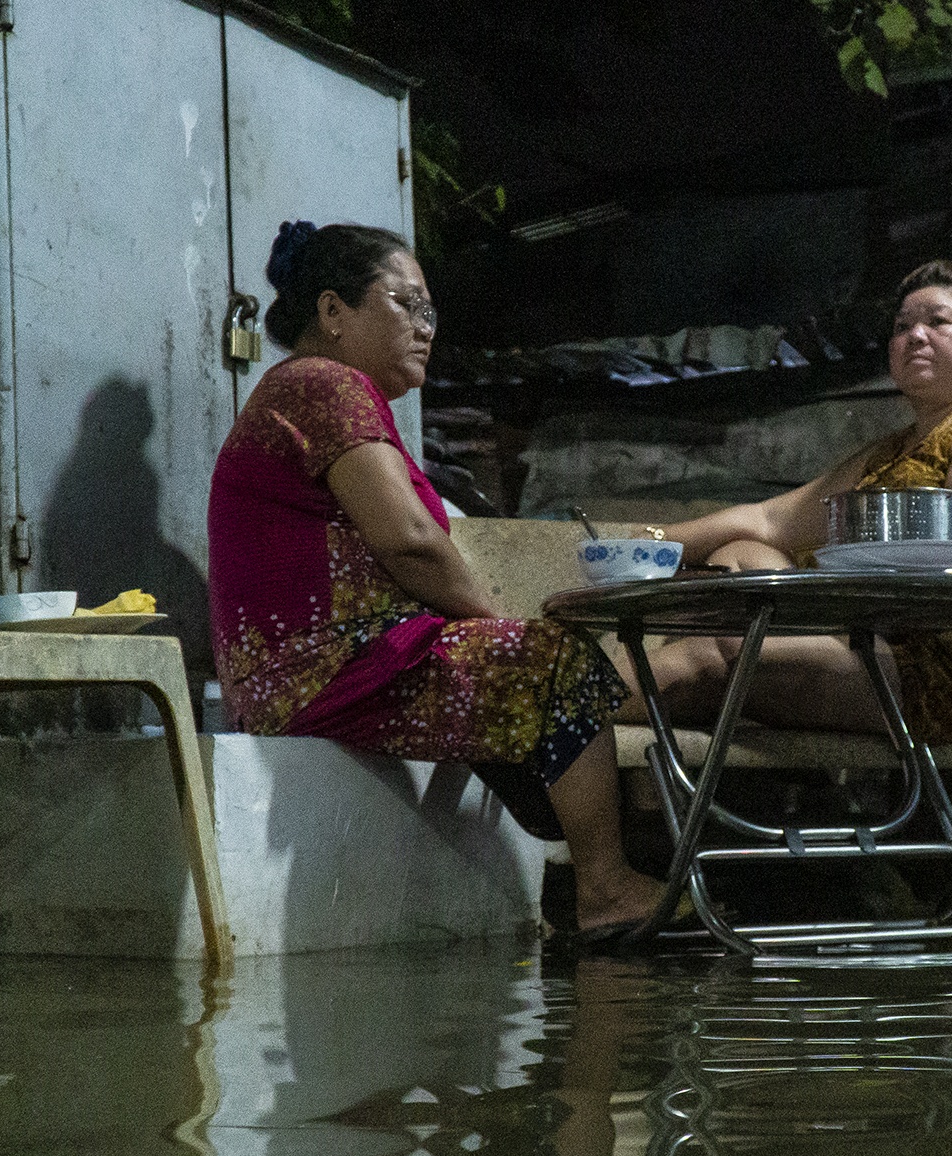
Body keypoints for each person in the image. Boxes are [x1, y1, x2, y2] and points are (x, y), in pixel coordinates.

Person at [206, 221, 660, 941]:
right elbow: (410, 543)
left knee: (585, 676)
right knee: (556, 662)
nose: (425, 328)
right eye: (405, 304)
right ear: (332, 312)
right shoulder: (324, 386)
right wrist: (495, 621)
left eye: (430, 312)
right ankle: (605, 889)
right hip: (319, 669)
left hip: (333, 663)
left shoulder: (324, 394)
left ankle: (615, 868)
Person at [618, 260, 952, 740]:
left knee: (726, 644)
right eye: (901, 327)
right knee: (738, 559)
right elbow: (769, 520)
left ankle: (574, 698)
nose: (915, 336)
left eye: (938, 321)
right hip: (877, 641)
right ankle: (576, 702)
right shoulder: (890, 451)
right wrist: (653, 542)